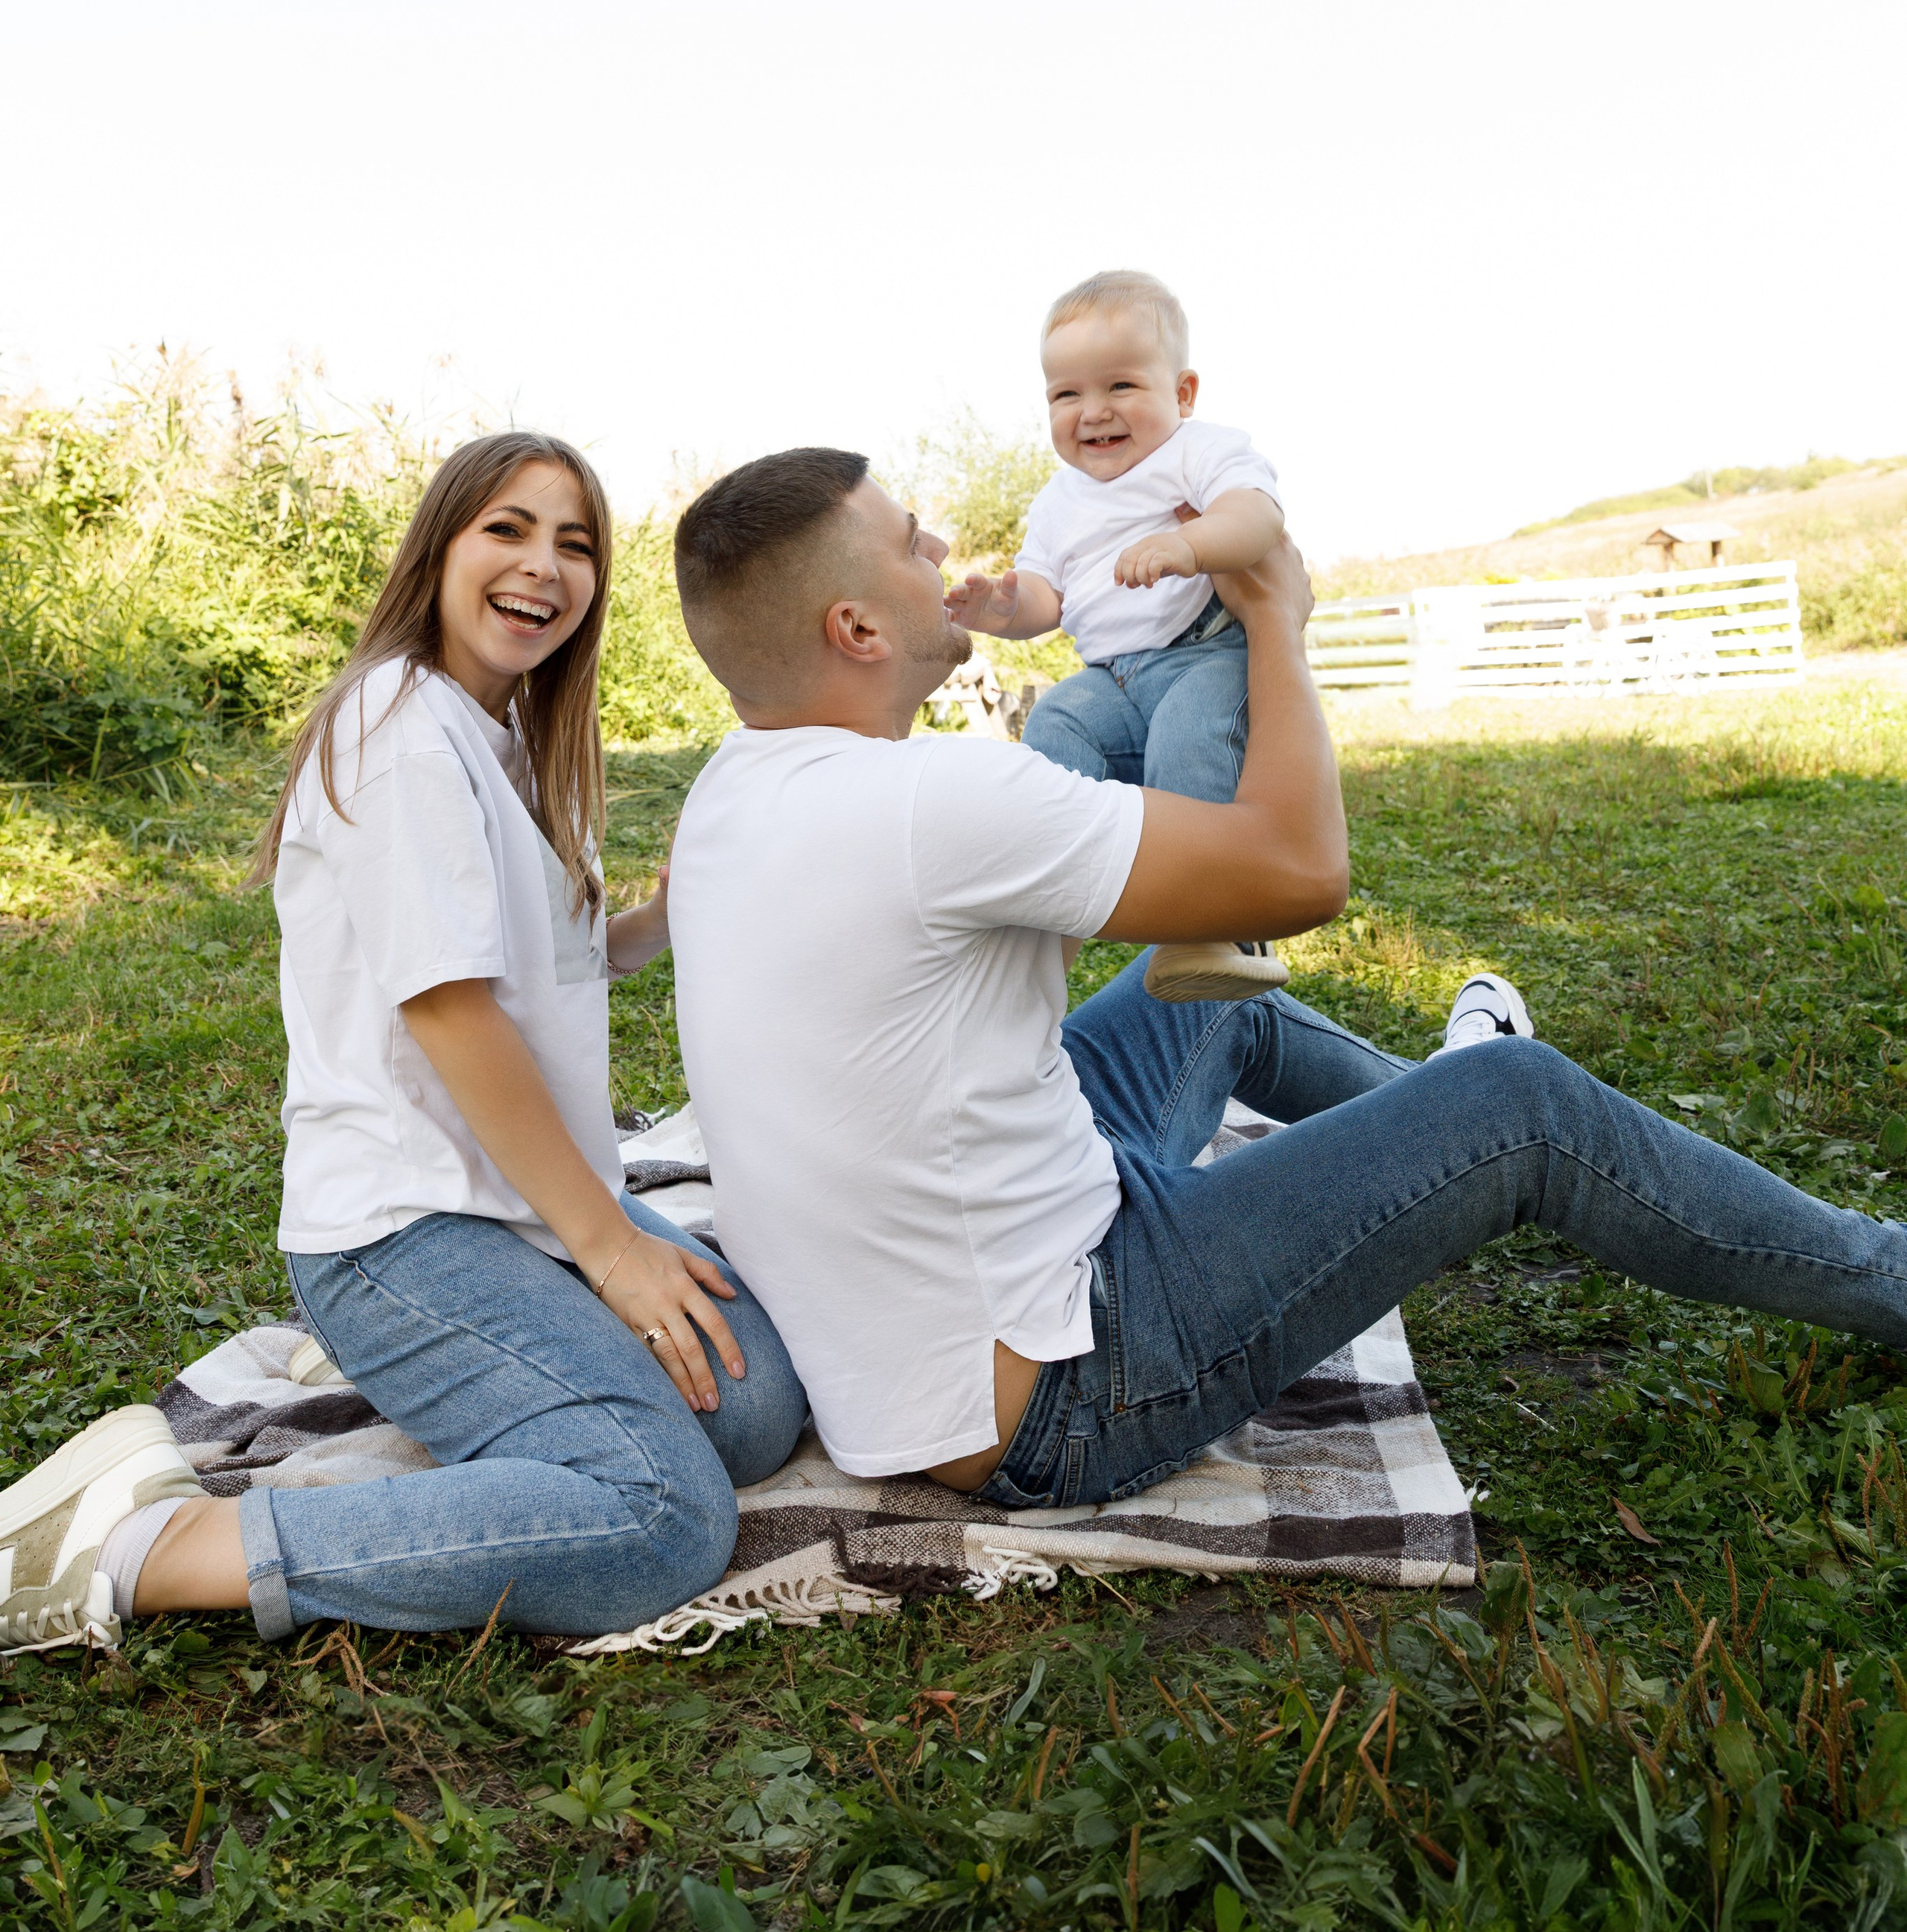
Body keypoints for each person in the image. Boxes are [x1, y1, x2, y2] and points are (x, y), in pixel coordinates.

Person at [665, 446, 1907, 1502]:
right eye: (907, 539)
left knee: (1200, 998)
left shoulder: (725, 793)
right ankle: (1876, 1272)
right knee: (1519, 1104)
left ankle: (1437, 1153)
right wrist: (1273, 621)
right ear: (859, 629)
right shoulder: (936, 797)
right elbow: (1297, 873)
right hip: (1066, 1384)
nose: (940, 546)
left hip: (936, 1332)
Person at [0, 432, 807, 1656]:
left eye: (576, 544)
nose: (545, 564)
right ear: (439, 547)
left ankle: (487, 1366)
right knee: (662, 1515)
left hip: (514, 1207)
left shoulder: (499, 737)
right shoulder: (396, 726)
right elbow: (450, 1013)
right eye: (510, 528)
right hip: (404, 1232)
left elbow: (551, 973)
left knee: (751, 1415)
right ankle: (143, 1543)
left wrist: (671, 908)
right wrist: (612, 1252)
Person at [946, 267, 1287, 1004]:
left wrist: (1190, 548)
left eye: (1120, 386)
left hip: (1204, 653)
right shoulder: (1057, 500)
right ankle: (1047, 906)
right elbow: (1045, 596)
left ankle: (1209, 926)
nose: (1092, 412)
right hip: (1115, 677)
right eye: (1066, 395)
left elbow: (1258, 516)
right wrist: (1003, 611)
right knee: (1057, 721)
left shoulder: (1195, 452)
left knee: (1190, 744)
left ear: (1183, 394)